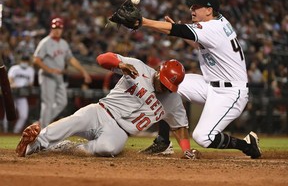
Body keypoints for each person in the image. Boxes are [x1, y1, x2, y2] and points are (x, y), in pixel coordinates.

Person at [139, 0, 261, 159]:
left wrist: (143, 21)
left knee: (203, 137)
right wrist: (177, 29)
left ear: (209, 10)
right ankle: (163, 141)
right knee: (165, 84)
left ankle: (246, 145)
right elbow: (193, 38)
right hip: (209, 85)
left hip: (231, 93)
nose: (192, 9)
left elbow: (178, 30)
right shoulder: (219, 21)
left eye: (196, 6)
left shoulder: (212, 27)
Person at [15, 52, 199, 159]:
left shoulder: (173, 99)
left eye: (170, 86)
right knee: (71, 122)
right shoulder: (137, 67)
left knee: (108, 149)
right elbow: (102, 59)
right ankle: (32, 146)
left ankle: (65, 147)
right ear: (159, 71)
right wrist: (120, 64)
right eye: (164, 83)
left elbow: (180, 126)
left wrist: (186, 150)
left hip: (120, 131)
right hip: (100, 111)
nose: (166, 88)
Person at [33, 17, 92, 128]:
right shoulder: (45, 42)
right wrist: (49, 70)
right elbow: (36, 59)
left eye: (59, 28)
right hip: (47, 76)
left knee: (62, 102)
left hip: (59, 76)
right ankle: (43, 131)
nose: (57, 30)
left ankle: (41, 123)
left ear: (62, 29)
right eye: (55, 28)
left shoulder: (64, 43)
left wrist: (83, 72)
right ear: (51, 28)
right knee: (48, 103)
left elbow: (71, 59)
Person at [2, 55, 35, 133]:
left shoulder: (30, 70)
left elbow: (31, 83)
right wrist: (13, 83)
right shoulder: (15, 68)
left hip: (22, 94)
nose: (25, 62)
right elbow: (9, 78)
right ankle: (4, 130)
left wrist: (27, 86)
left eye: (26, 61)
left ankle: (15, 132)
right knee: (8, 113)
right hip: (12, 93)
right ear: (20, 61)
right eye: (23, 60)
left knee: (24, 115)